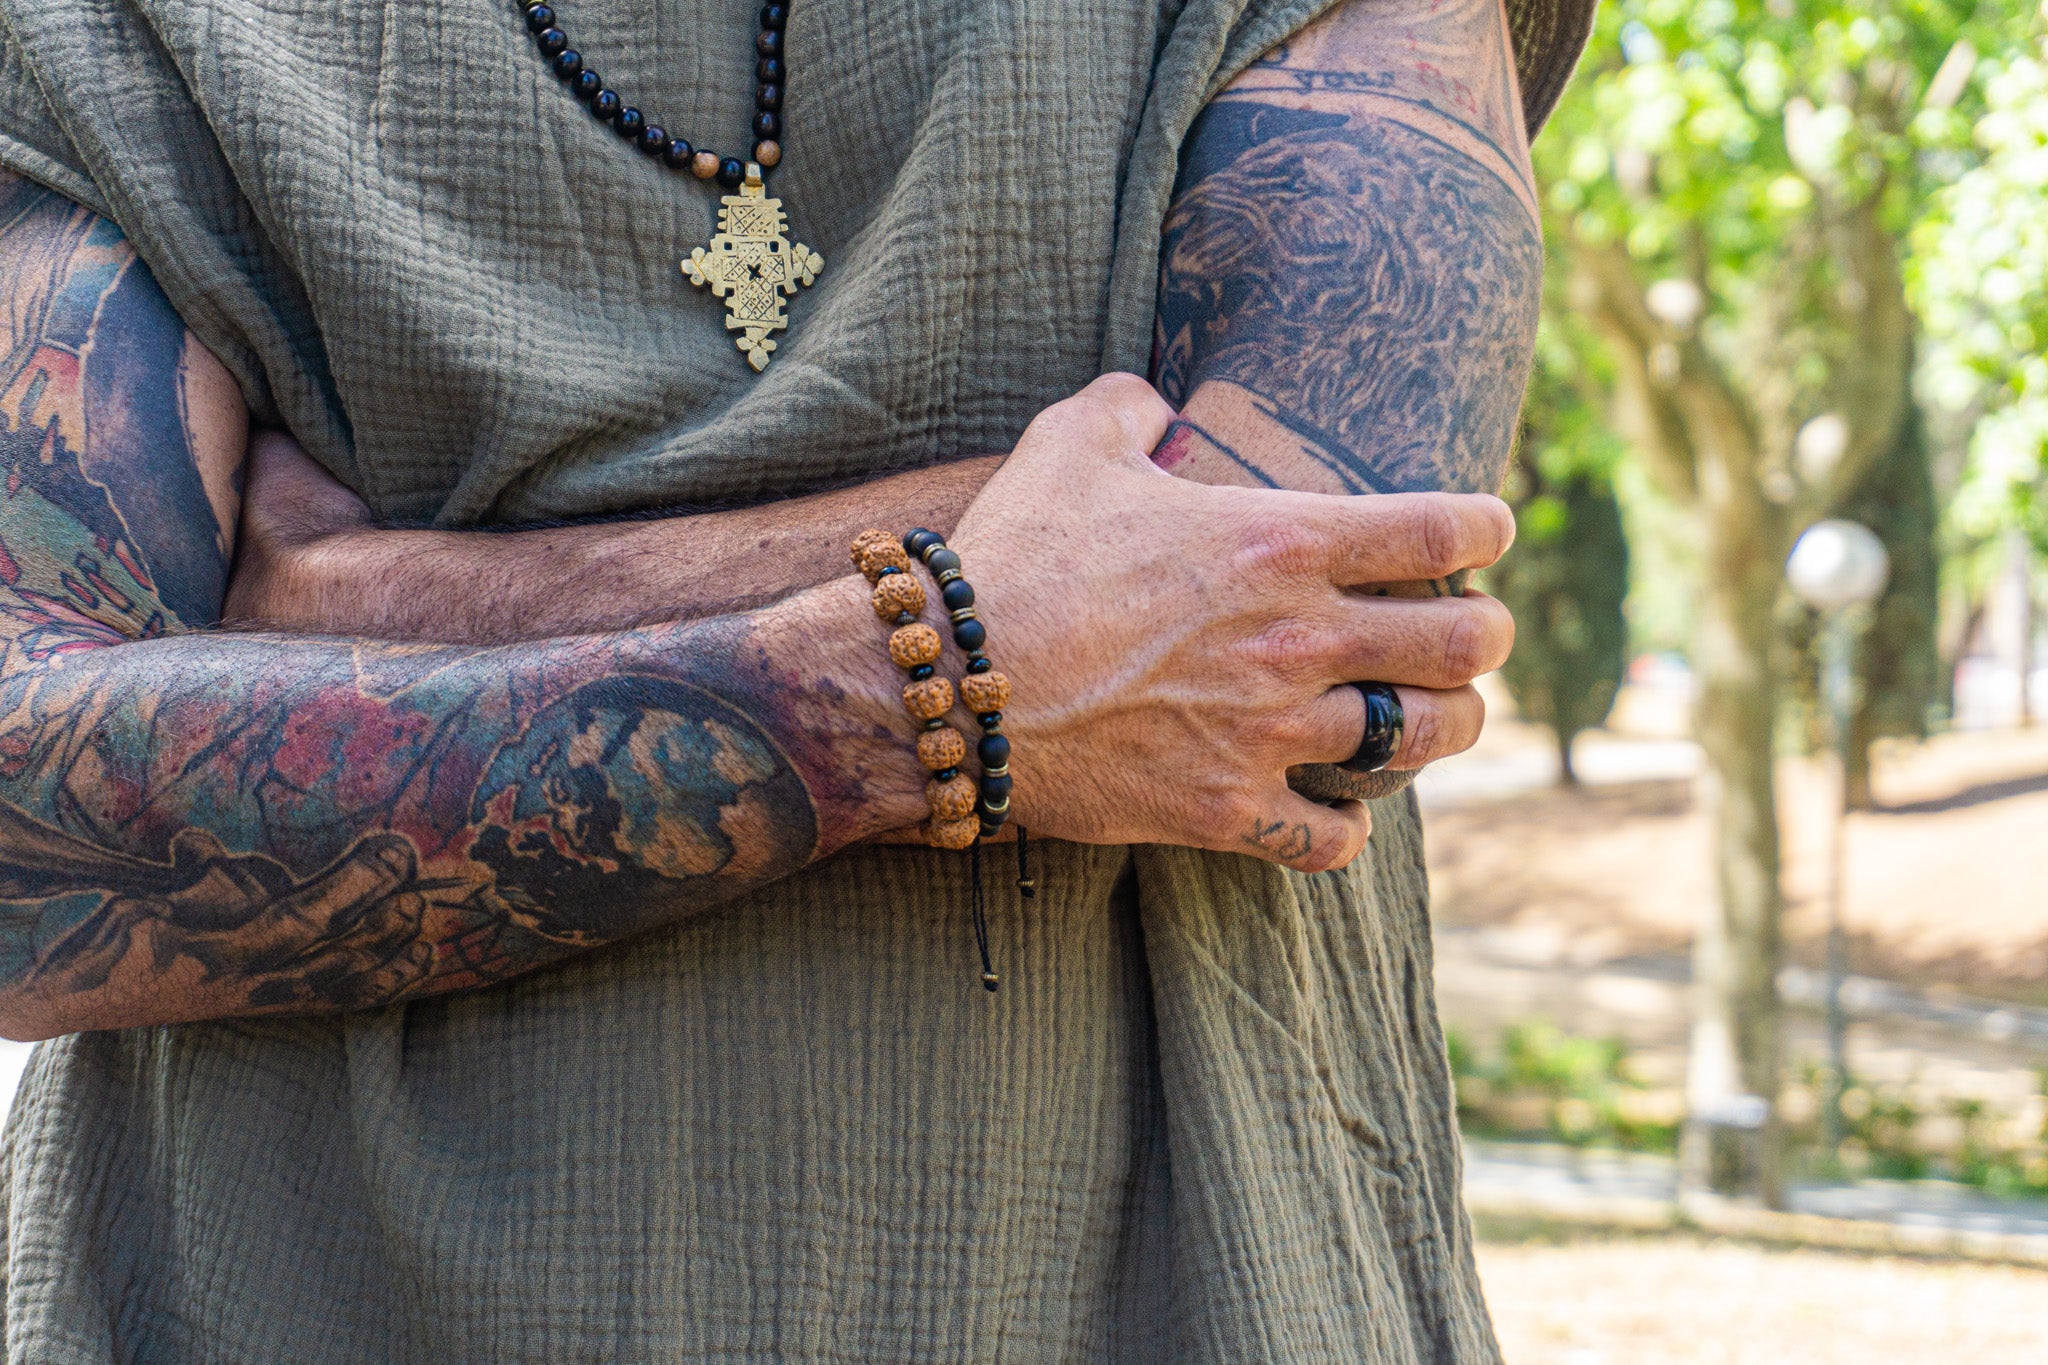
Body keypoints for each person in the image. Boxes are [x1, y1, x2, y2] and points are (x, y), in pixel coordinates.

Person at [0, 0, 1587, 1356]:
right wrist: (941, 669)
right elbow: (20, 838)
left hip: (1162, 1291)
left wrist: (372, 597)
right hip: (282, 1294)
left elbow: (1325, 628)